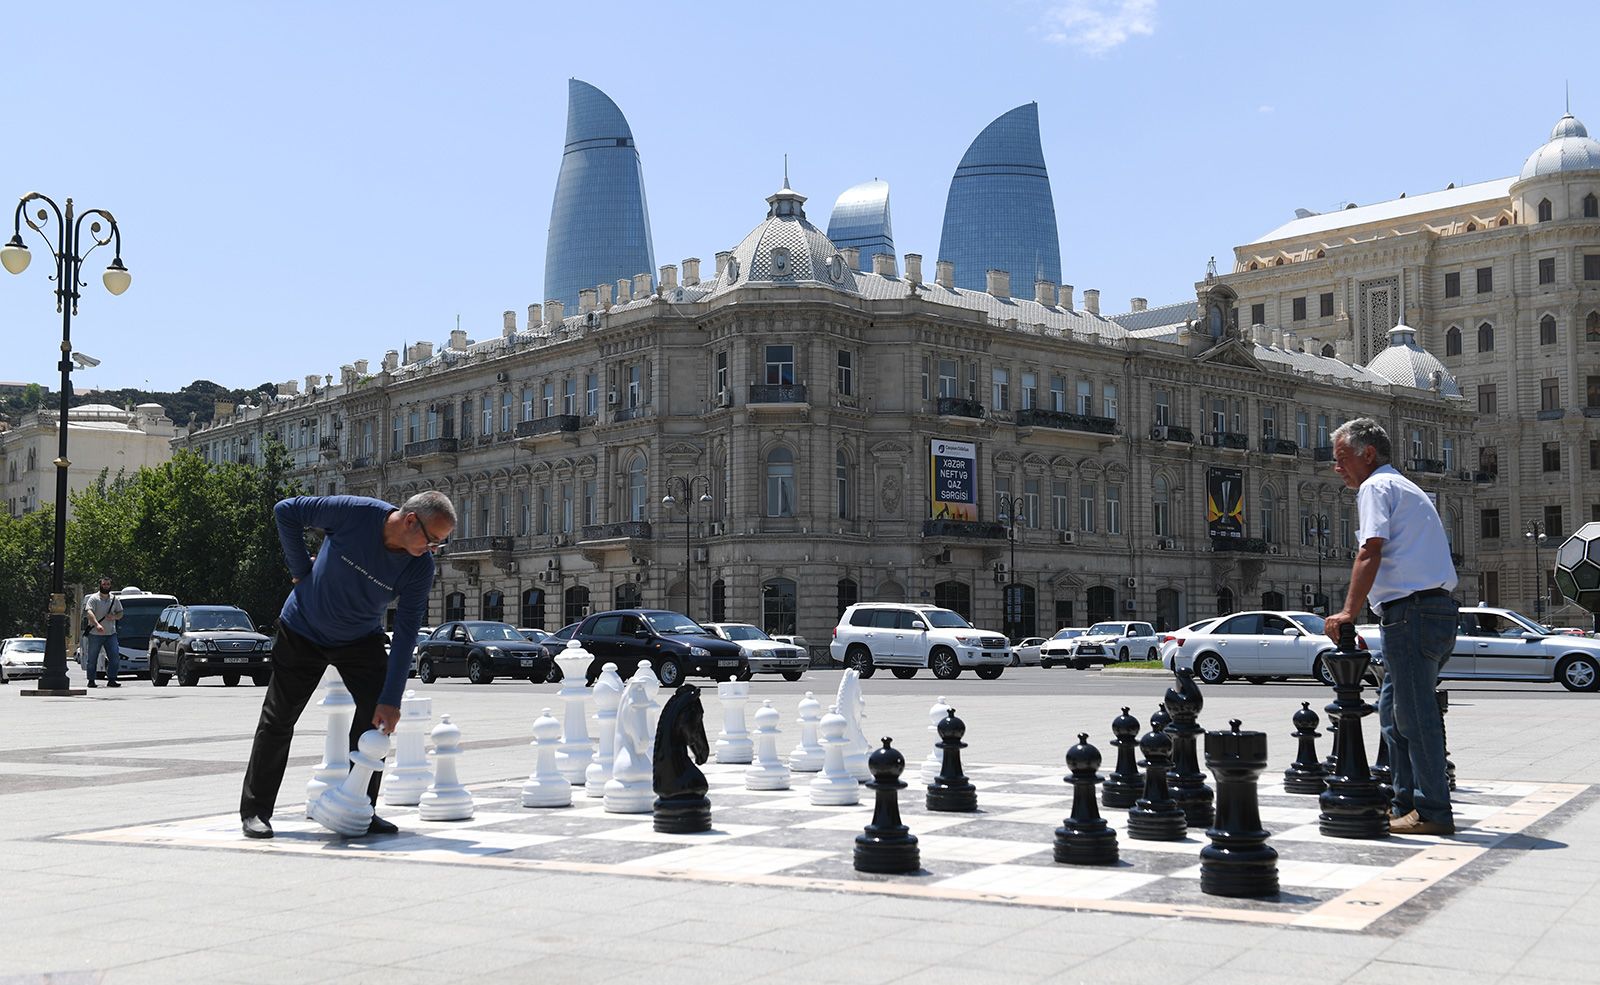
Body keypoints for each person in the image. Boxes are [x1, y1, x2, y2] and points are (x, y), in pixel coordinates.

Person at [239, 491, 455, 839]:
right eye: (432, 541)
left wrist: (392, 699)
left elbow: (405, 634)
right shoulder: (357, 513)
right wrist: (300, 571)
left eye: (439, 546)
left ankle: (361, 808)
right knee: (278, 719)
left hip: (359, 638)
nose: (432, 551)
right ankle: (256, 812)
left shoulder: (419, 568)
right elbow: (286, 511)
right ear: (411, 520)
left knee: (376, 718)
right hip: (302, 628)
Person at [1324, 418, 1458, 836]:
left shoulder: (1376, 487)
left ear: (1367, 454)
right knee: (1392, 712)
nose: (1337, 468)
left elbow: (1370, 550)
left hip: (1412, 613)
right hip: (1423, 611)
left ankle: (1433, 809)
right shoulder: (1401, 486)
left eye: (1342, 458)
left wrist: (1348, 612)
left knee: (1415, 716)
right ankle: (1404, 803)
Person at [82, 577, 124, 688]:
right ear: (100, 585)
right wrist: (97, 624)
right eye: (104, 584)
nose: (106, 586)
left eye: (108, 584)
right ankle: (91, 680)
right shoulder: (94, 598)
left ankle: (112, 679)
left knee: (115, 657)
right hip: (95, 634)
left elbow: (121, 613)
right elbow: (89, 612)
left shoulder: (114, 599)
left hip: (111, 634)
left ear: (111, 585)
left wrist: (114, 616)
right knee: (92, 658)